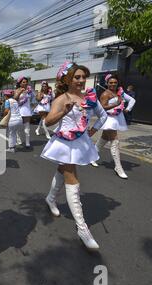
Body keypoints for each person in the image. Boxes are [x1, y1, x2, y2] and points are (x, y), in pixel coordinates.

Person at [41, 62, 107, 250]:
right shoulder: (62, 98)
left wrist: (92, 131)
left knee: (62, 170)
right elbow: (47, 121)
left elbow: (103, 116)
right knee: (72, 178)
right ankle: (82, 227)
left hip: (81, 142)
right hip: (64, 142)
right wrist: (64, 111)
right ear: (67, 79)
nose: (81, 80)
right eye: (77, 77)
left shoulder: (90, 98)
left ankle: (51, 198)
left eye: (83, 77)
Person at [90, 74, 136, 179]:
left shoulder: (120, 93)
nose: (113, 84)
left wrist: (128, 108)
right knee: (115, 141)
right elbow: (102, 108)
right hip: (108, 119)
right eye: (111, 82)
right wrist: (116, 104)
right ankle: (118, 167)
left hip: (117, 118)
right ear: (107, 83)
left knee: (104, 138)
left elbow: (132, 100)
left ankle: (91, 156)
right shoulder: (105, 94)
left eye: (115, 82)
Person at [14, 76, 35, 148]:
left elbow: (33, 98)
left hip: (27, 111)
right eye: (23, 82)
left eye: (26, 82)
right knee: (18, 127)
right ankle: (18, 140)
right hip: (19, 111)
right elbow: (15, 98)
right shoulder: (17, 90)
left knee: (27, 128)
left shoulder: (30, 90)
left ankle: (27, 142)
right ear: (20, 83)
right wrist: (20, 91)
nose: (25, 83)